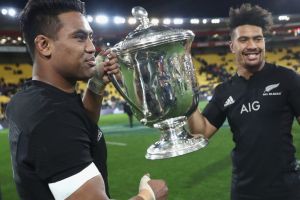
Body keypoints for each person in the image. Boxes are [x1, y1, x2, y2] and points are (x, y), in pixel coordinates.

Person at [5, 0, 168, 200]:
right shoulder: (51, 118)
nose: (92, 48)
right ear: (44, 45)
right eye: (80, 38)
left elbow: (81, 126)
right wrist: (148, 195)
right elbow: (62, 128)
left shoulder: (31, 98)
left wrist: (96, 84)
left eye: (91, 37)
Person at [188, 3, 300, 200]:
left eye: (258, 39)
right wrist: (187, 90)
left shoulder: (286, 79)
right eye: (244, 40)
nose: (252, 46)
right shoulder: (224, 91)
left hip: (286, 188)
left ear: (264, 42)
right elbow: (200, 133)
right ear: (233, 46)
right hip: (244, 190)